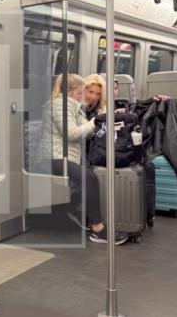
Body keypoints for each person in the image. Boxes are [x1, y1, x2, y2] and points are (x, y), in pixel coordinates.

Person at [35, 74, 127, 245]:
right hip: (50, 158)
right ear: (69, 92)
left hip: (60, 156)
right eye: (80, 93)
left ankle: (69, 216)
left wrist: (103, 119)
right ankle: (98, 229)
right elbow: (71, 134)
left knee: (89, 175)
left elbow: (86, 131)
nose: (83, 96)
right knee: (88, 178)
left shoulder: (71, 106)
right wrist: (95, 121)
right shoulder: (59, 106)